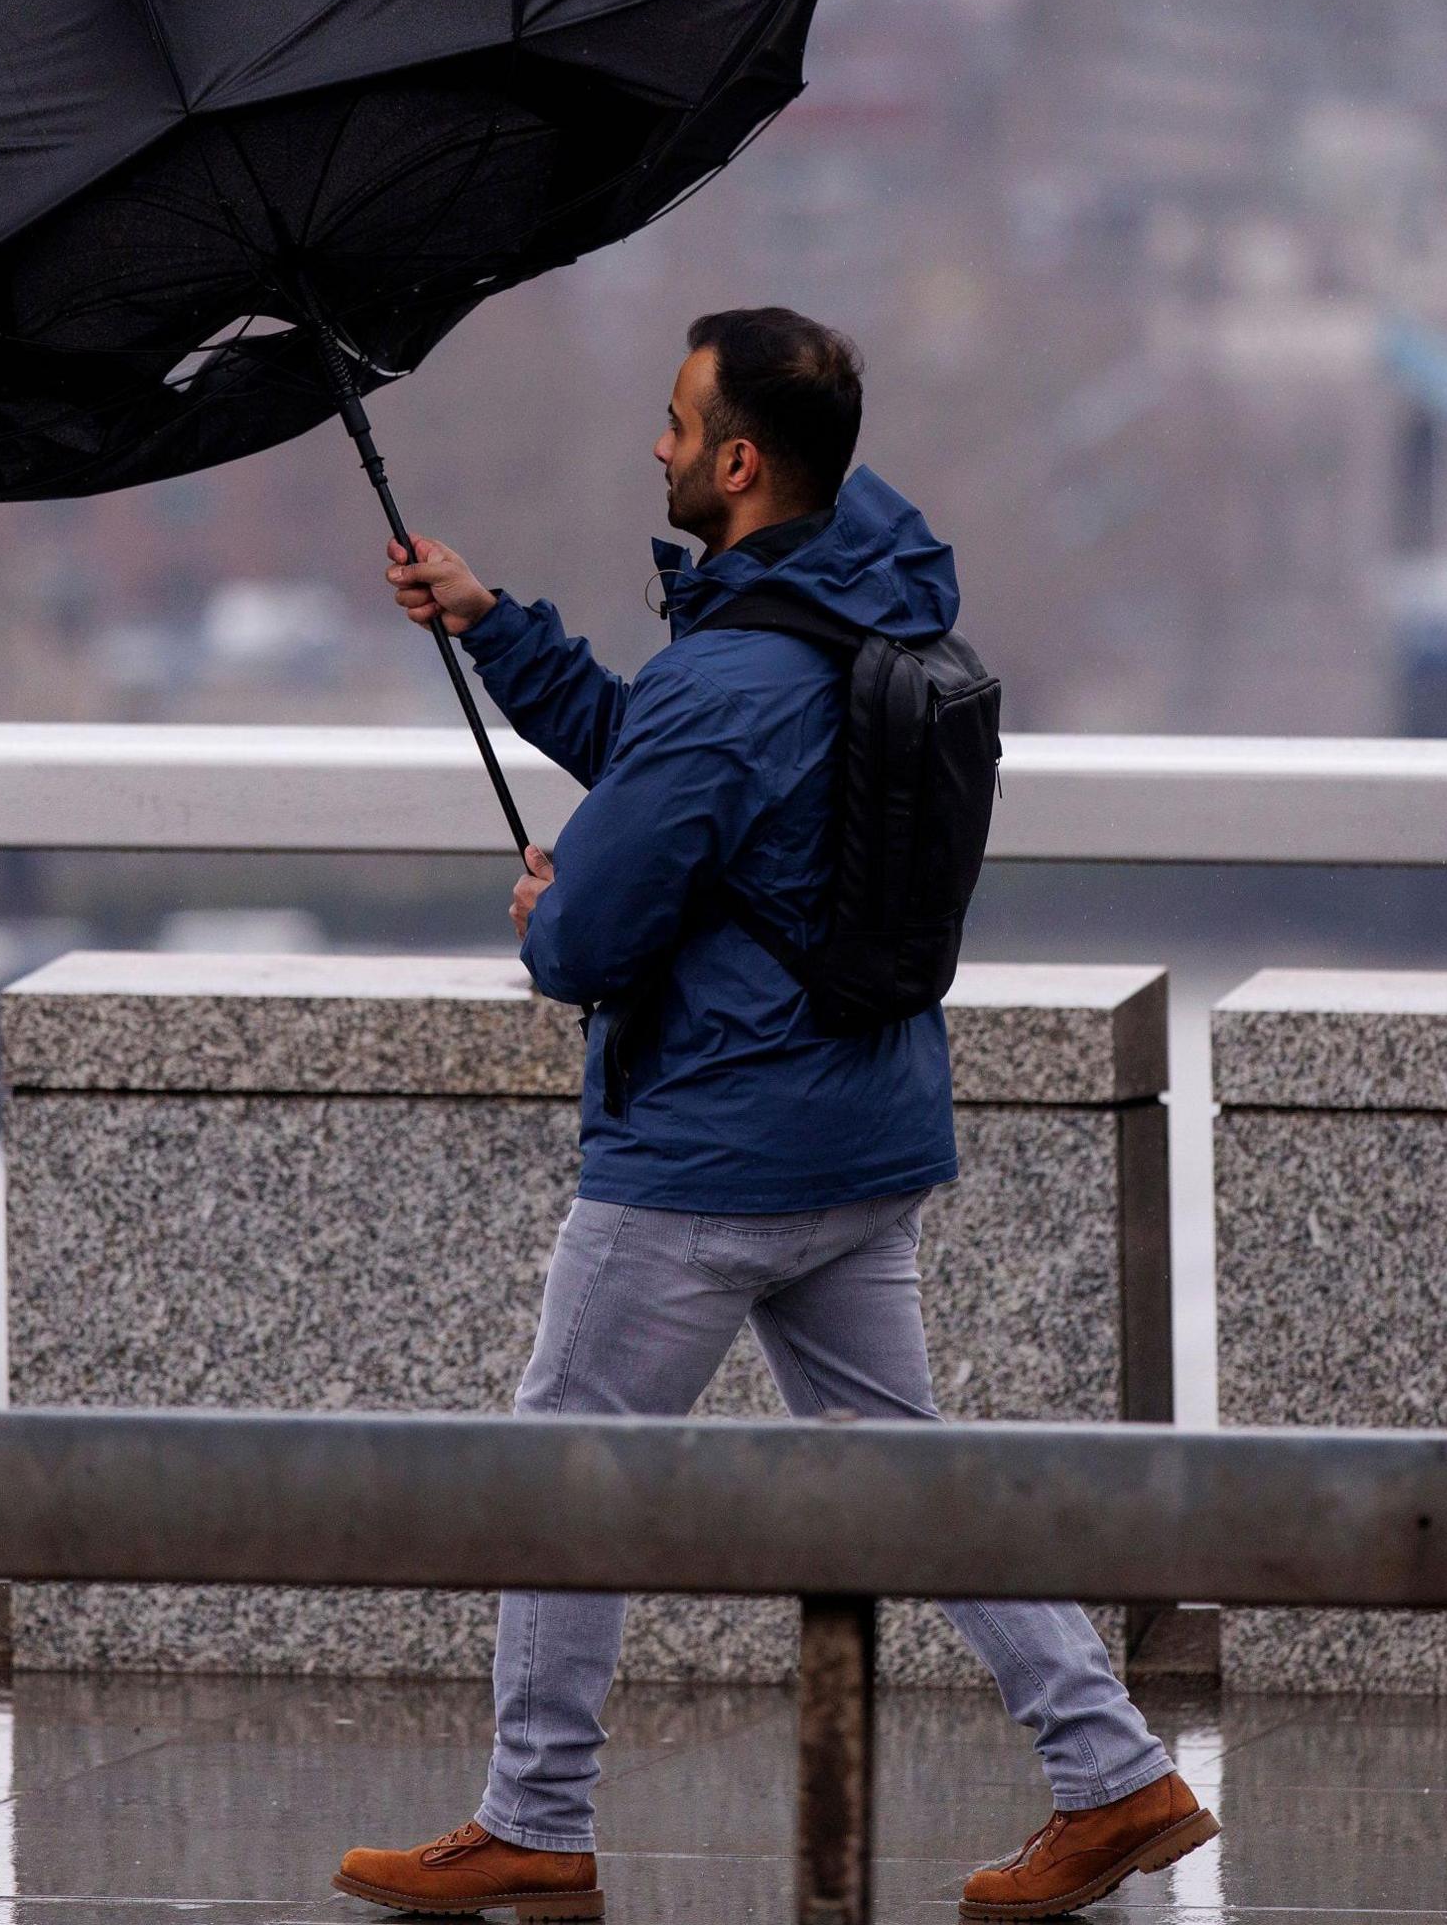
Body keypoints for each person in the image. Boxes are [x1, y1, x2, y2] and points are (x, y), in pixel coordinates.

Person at [330, 309, 1218, 1922]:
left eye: (675, 426)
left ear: (737, 462)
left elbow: (597, 929)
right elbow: (684, 772)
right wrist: (495, 625)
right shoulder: (852, 621)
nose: (656, 450)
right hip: (860, 1139)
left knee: (564, 1470)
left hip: (709, 1158)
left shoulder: (728, 674)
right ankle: (1116, 1777)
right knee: (910, 1473)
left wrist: (543, 913)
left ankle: (533, 1819)